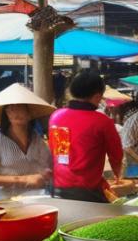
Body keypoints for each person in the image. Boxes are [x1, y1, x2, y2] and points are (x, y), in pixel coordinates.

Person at [48, 70, 123, 203]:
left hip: (57, 188)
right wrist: (117, 176)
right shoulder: (102, 121)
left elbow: (58, 151)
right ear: (97, 96)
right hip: (88, 191)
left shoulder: (56, 116)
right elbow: (116, 155)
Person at [0, 83, 54, 200]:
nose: (14, 111)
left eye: (20, 107)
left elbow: (46, 166)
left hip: (35, 198)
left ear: (29, 113)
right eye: (10, 108)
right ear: (6, 113)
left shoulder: (36, 139)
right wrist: (23, 180)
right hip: (5, 199)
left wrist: (46, 173)